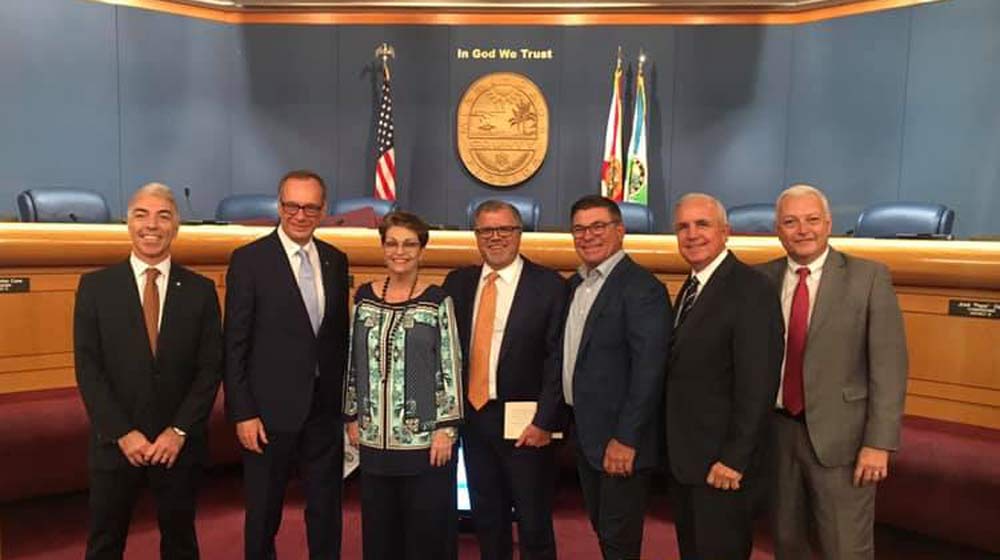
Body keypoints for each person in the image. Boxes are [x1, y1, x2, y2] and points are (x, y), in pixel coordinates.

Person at [758, 184, 908, 560]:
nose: (802, 230)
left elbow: (889, 367)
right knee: (787, 543)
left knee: (845, 549)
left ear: (828, 224)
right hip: (776, 435)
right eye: (790, 222)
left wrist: (879, 443)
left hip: (844, 440)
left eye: (812, 220)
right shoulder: (759, 279)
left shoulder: (868, 277)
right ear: (778, 229)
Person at [74, 182, 222, 559]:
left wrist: (178, 431)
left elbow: (209, 370)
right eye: (141, 215)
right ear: (128, 223)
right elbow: (88, 369)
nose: (151, 225)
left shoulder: (201, 291)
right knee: (104, 544)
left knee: (181, 544)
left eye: (163, 216)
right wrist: (123, 433)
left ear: (176, 226)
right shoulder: (94, 288)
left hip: (178, 446)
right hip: (116, 444)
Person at [224, 170, 350, 560]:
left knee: (326, 509)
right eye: (292, 205)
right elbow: (234, 344)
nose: (300, 214)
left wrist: (347, 408)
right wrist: (242, 412)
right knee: (263, 512)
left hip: (324, 411)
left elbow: (337, 339)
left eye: (310, 207)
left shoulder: (335, 260)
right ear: (279, 206)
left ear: (323, 210)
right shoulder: (249, 260)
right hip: (267, 413)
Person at [443, 200, 567, 560]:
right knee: (487, 518)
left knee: (533, 523)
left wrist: (546, 421)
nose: (495, 238)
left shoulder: (549, 286)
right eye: (486, 231)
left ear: (519, 234)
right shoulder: (459, 282)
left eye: (504, 230)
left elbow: (557, 361)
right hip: (475, 419)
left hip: (527, 425)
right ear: (476, 236)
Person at [667, 193, 784, 560]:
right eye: (683, 227)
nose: (692, 234)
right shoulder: (690, 286)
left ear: (725, 232)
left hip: (723, 465)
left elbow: (758, 384)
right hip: (687, 461)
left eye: (702, 224)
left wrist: (734, 458)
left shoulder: (751, 289)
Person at [344, 211, 463, 560]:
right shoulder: (363, 298)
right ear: (382, 247)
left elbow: (451, 365)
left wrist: (447, 428)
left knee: (424, 535)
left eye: (409, 244)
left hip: (424, 441)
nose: (400, 251)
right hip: (372, 439)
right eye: (392, 243)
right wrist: (351, 414)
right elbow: (354, 360)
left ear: (421, 250)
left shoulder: (438, 300)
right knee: (380, 534)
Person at [561, 195, 670, 560]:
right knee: (605, 532)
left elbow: (649, 370)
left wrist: (626, 438)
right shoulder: (577, 285)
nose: (588, 236)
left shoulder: (642, 288)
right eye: (580, 228)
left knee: (620, 539)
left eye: (598, 227)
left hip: (620, 442)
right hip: (587, 434)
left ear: (620, 231)